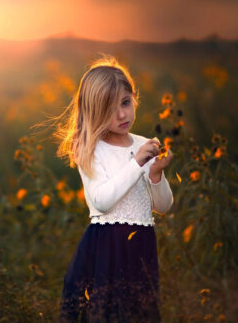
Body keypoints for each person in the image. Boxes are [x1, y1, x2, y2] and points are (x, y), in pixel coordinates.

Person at [52, 54, 174, 322]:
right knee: (108, 311)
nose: (122, 114)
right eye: (110, 108)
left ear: (134, 99)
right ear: (94, 111)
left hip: (141, 244)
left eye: (126, 102)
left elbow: (163, 206)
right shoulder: (91, 148)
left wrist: (155, 173)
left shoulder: (141, 143)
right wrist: (137, 162)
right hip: (108, 244)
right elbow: (102, 200)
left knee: (140, 312)